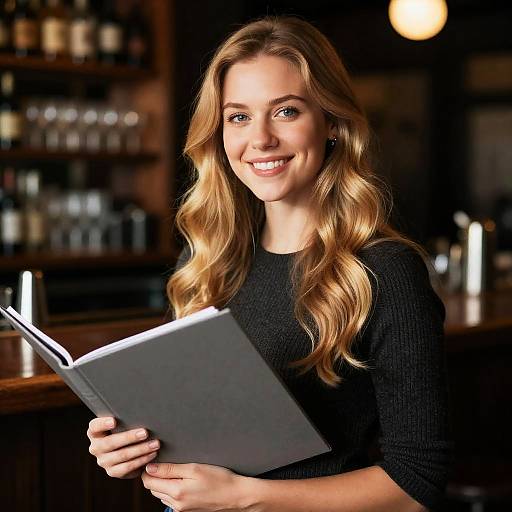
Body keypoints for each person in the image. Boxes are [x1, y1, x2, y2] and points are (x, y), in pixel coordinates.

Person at [87, 16, 451, 512]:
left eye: (285, 112)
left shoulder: (385, 271)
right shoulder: (207, 262)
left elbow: (418, 483)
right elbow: (192, 430)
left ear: (333, 124)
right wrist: (130, 443)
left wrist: (247, 499)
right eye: (238, 117)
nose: (259, 139)